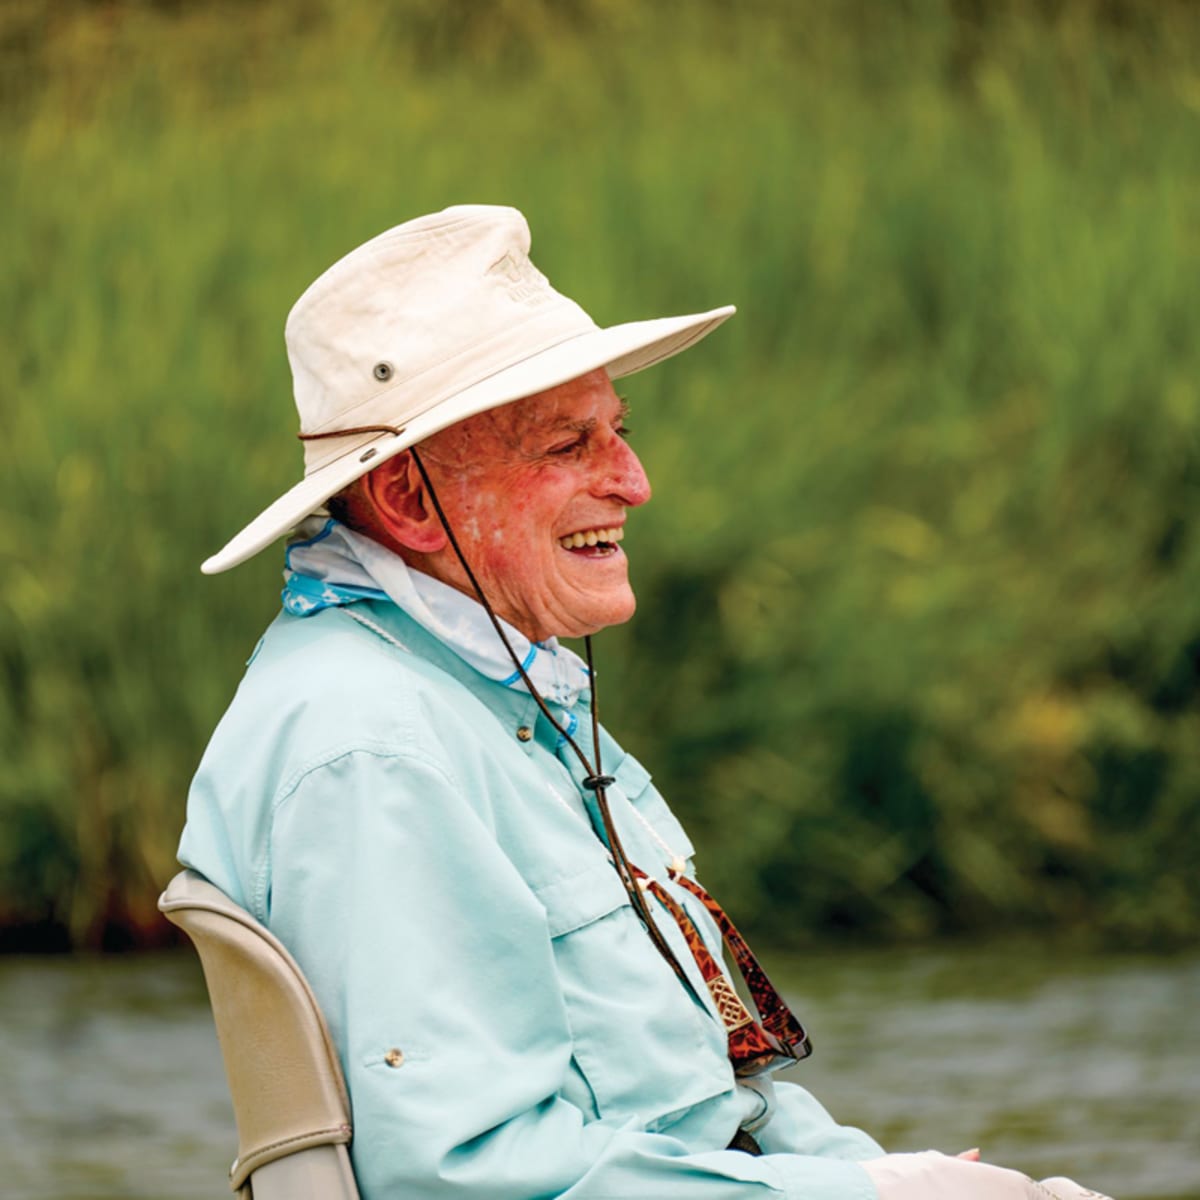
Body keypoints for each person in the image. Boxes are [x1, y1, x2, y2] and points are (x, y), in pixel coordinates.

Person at [178, 205, 1111, 1200]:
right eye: (567, 445)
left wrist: (883, 1179)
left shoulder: (482, 694)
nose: (634, 481)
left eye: (618, 433)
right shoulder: (372, 746)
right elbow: (462, 1178)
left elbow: (719, 1106)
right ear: (409, 501)